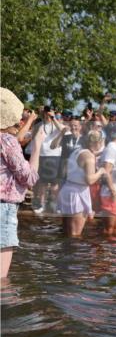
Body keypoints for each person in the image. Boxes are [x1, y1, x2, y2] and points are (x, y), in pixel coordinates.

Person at [1, 88, 43, 281]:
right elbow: (29, 178)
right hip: (3, 209)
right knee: (1, 279)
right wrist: (37, 146)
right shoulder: (7, 141)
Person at [57, 130, 112, 237]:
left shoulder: (78, 150)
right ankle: (74, 253)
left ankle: (62, 252)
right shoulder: (89, 157)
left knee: (66, 231)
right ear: (98, 142)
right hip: (77, 193)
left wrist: (101, 153)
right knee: (75, 234)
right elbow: (90, 180)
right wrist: (101, 171)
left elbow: (87, 156)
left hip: (68, 189)